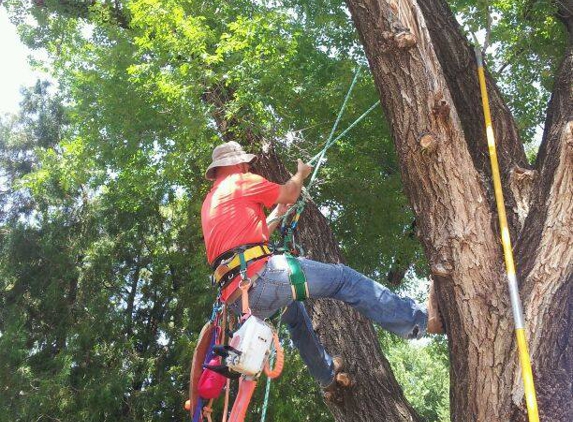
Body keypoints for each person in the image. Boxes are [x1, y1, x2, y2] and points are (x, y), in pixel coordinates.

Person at [201, 141, 443, 391]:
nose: (248, 165)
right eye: (245, 163)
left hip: (239, 297)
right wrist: (300, 173)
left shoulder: (211, 201)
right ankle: (418, 321)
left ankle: (326, 375)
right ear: (236, 163)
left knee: (294, 315)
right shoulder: (240, 180)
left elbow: (248, 240)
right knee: (342, 279)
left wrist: (278, 212)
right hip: (263, 277)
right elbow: (290, 191)